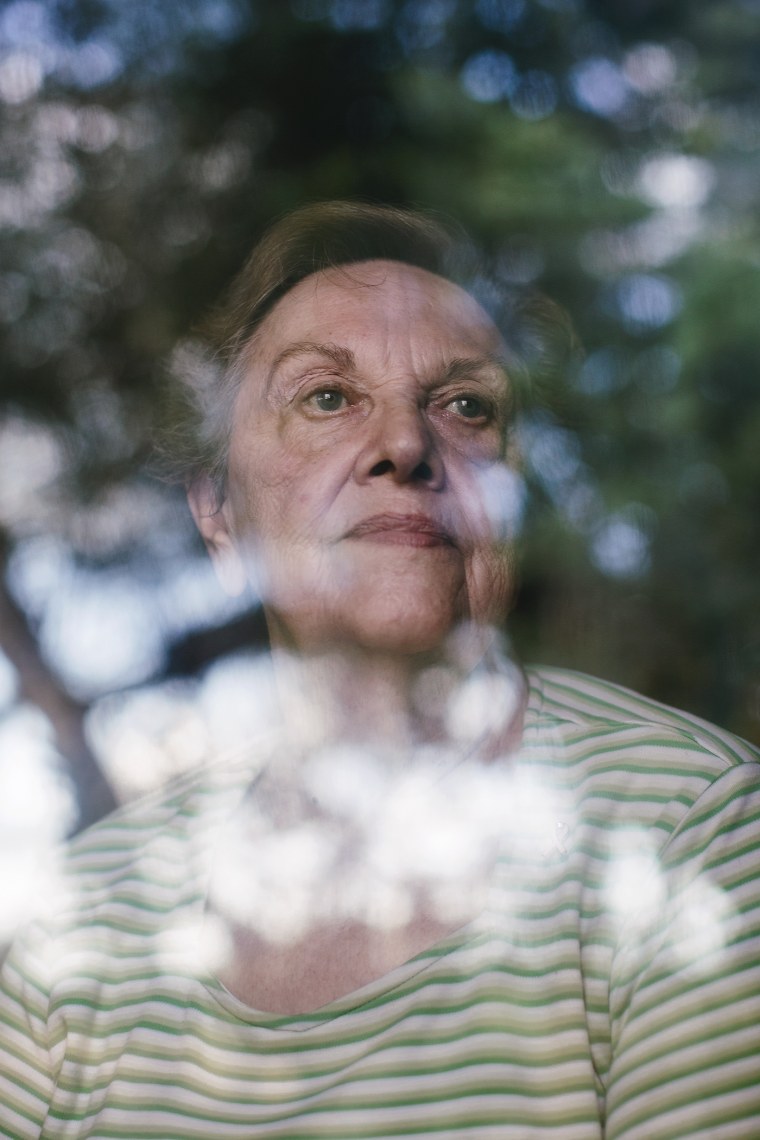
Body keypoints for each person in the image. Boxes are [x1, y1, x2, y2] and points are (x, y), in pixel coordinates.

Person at [0, 201, 758, 1139]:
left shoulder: (695, 826)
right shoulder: (71, 933)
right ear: (218, 512)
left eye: (466, 406)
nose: (406, 444)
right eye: (326, 397)